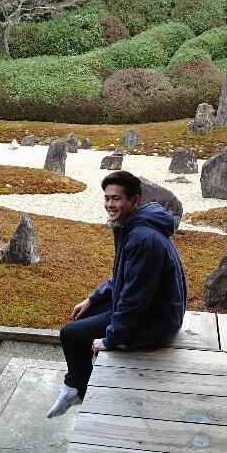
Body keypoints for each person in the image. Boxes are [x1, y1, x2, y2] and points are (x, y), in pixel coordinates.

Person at [47, 170, 187, 419]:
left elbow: (135, 300)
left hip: (156, 321)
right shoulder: (132, 227)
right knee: (81, 319)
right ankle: (78, 386)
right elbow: (123, 278)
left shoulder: (142, 238)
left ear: (135, 201)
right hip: (150, 310)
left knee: (70, 334)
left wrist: (110, 339)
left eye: (117, 199)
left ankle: (82, 392)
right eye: (107, 198)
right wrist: (93, 298)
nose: (110, 204)